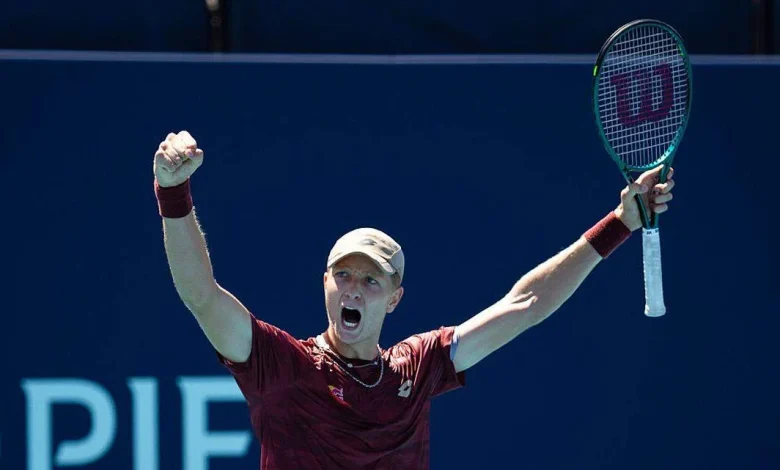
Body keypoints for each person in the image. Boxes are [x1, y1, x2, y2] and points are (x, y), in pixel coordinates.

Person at [153, 130, 675, 469]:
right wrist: (173, 195)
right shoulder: (280, 365)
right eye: (344, 275)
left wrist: (620, 224)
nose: (354, 288)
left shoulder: (417, 367)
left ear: (394, 300)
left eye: (371, 280)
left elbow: (527, 304)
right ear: (326, 285)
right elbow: (201, 296)